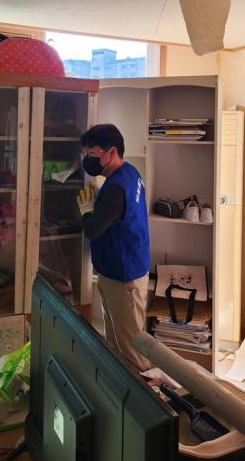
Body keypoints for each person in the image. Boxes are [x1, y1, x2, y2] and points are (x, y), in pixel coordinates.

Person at [77, 123, 151, 372]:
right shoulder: (130, 173)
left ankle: (143, 393)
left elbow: (93, 230)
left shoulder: (116, 190)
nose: (88, 159)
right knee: (118, 343)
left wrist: (87, 212)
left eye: (93, 153)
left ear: (111, 152)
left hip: (123, 278)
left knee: (132, 351)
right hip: (127, 268)